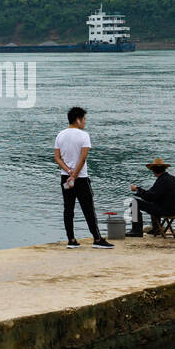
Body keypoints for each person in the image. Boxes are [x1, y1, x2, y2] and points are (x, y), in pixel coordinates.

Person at [55, 106, 114, 249]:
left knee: (68, 209)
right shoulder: (84, 135)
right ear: (78, 119)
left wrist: (69, 172)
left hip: (65, 178)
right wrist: (75, 175)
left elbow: (57, 158)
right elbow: (83, 158)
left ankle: (71, 240)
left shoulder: (60, 135)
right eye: (84, 119)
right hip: (80, 178)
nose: (85, 122)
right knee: (88, 209)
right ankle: (97, 239)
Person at [128, 158, 175, 235]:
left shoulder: (162, 180)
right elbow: (155, 195)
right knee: (152, 203)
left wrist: (137, 189)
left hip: (165, 210)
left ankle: (136, 230)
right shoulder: (174, 180)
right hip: (174, 210)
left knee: (134, 203)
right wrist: (141, 193)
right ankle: (156, 229)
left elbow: (150, 197)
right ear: (164, 169)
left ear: (153, 171)